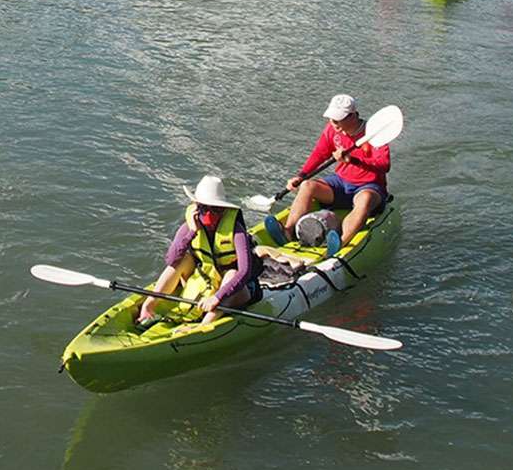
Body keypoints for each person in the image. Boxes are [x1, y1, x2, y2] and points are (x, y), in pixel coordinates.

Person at [137, 175, 259, 327]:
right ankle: (148, 306)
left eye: (216, 209)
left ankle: (204, 325)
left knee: (232, 273)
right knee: (183, 259)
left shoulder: (237, 231)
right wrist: (192, 232)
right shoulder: (190, 226)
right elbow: (171, 260)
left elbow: (244, 272)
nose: (209, 214)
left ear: (224, 209)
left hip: (234, 290)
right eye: (204, 208)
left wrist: (217, 298)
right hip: (206, 278)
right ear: (196, 207)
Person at [282, 95, 390, 246]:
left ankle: (340, 243)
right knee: (307, 186)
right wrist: (300, 176)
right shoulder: (332, 130)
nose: (333, 123)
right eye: (332, 118)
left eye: (338, 119)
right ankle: (288, 231)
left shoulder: (373, 134)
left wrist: (353, 160)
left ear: (353, 116)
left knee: (364, 199)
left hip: (368, 187)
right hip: (340, 183)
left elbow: (384, 165)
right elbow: (319, 154)